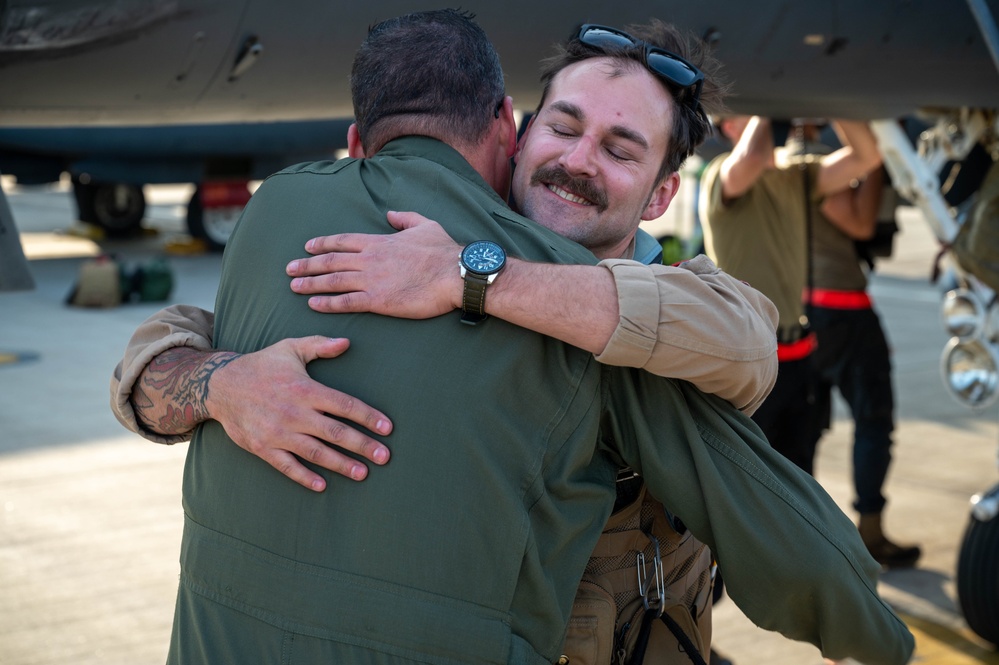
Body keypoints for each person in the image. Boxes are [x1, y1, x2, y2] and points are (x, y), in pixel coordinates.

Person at [112, 12, 913, 665]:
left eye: (619, 148)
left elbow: (744, 343)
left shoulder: (666, 299)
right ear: (516, 132)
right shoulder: (390, 251)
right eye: (562, 126)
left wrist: (474, 275)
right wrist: (218, 382)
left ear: (663, 193)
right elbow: (177, 339)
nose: (576, 160)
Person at [699, 116, 883, 475]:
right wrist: (767, 103)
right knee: (749, 477)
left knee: (798, 475)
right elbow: (751, 159)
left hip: (796, 354)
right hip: (748, 356)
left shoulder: (797, 177)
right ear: (728, 128)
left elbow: (866, 157)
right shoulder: (720, 174)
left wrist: (835, 103)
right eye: (745, 116)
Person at [811, 166, 922, 567]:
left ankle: (803, 535)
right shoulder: (822, 165)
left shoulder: (772, 164)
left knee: (805, 427)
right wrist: (873, 167)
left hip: (795, 308)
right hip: (842, 307)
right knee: (873, 422)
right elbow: (860, 225)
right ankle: (870, 531)